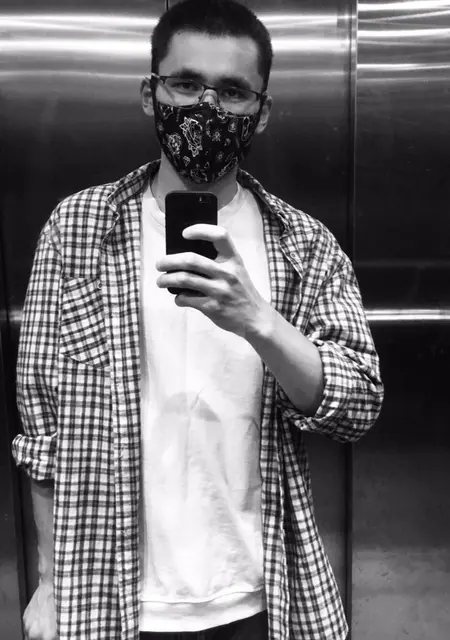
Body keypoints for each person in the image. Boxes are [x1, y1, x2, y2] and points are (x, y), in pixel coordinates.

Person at [12, 1, 383, 639]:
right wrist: (47, 581)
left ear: (261, 111)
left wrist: (258, 321)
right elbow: (42, 430)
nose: (206, 107)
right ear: (150, 94)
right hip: (106, 595)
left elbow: (359, 405)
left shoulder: (305, 245)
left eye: (233, 92)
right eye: (185, 84)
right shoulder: (77, 229)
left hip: (262, 594)